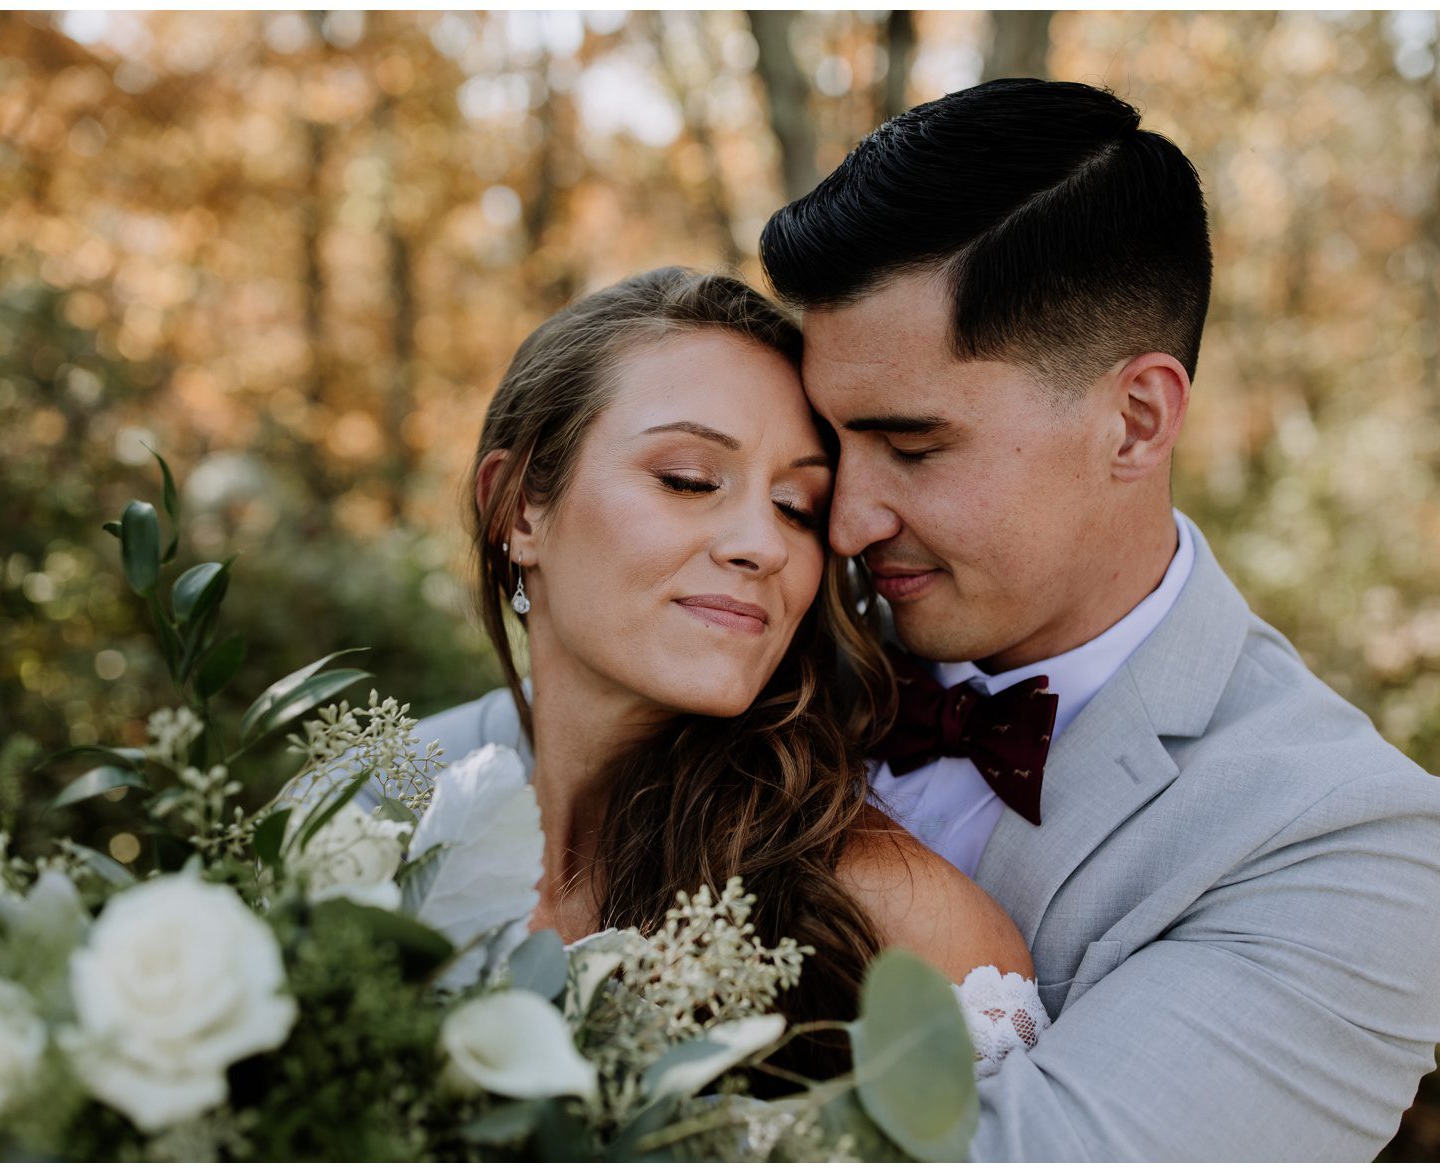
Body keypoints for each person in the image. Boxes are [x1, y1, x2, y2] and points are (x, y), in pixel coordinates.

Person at [749, 78, 1440, 1159]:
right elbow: (491, 764)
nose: (848, 519)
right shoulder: (767, 603)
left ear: (1135, 421)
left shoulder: (1352, 839)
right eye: (831, 441)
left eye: (912, 447)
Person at [410, 266, 1046, 1083]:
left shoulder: (901, 925)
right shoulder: (385, 840)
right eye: (690, 480)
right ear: (519, 508)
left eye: (797, 507)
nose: (764, 544)